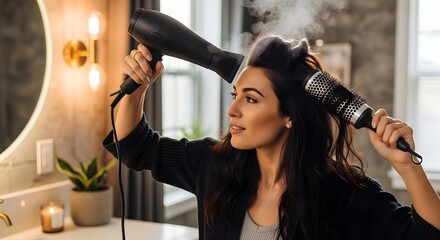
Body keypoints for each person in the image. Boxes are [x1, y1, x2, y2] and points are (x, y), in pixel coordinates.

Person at [103, 34, 440, 239]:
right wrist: (137, 89)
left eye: (250, 99)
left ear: (289, 116)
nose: (232, 110)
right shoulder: (215, 166)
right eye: (235, 95)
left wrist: (408, 167)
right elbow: (135, 147)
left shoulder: (345, 195)